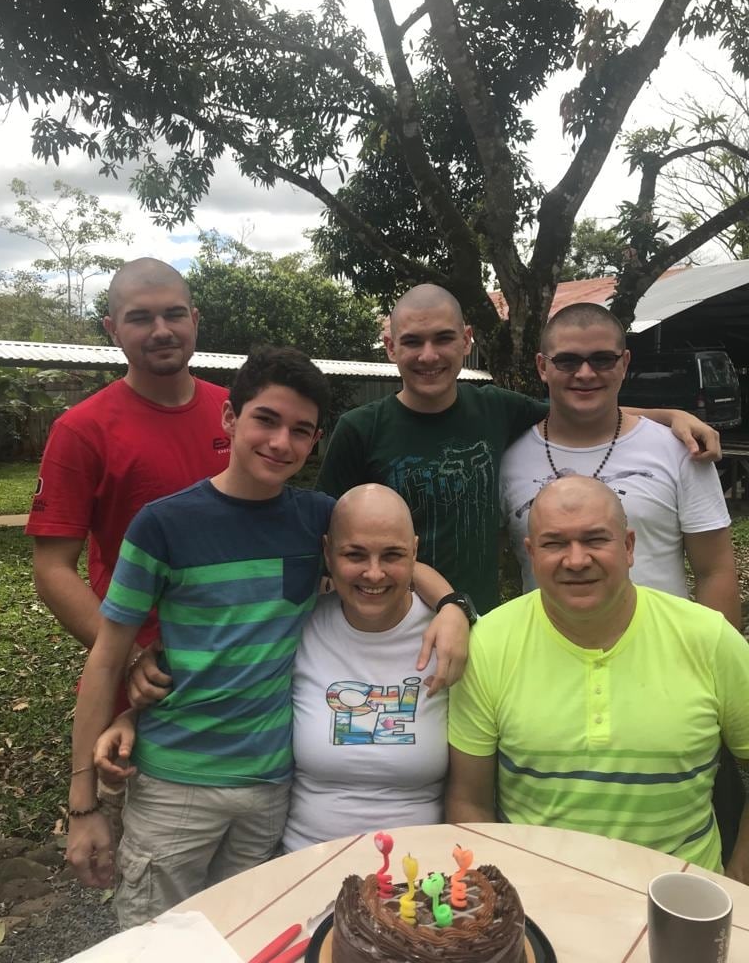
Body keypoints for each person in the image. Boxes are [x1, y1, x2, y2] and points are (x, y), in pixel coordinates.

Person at [67, 349, 467, 928]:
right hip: (177, 783)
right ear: (230, 418)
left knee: (254, 937)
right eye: (266, 420)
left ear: (315, 441)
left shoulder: (315, 519)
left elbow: (387, 554)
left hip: (270, 790)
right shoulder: (163, 525)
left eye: (300, 430)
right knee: (163, 940)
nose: (281, 442)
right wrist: (83, 804)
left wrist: (452, 605)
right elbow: (106, 661)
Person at [317, 284, 722, 613]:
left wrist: (669, 415)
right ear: (390, 347)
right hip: (388, 623)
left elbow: (579, 404)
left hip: (480, 627)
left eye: (443, 338)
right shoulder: (361, 429)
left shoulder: (495, 408)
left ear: (466, 340)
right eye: (412, 342)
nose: (429, 355)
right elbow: (322, 538)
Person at [96, 484, 449, 854]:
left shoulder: (447, 638)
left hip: (420, 866)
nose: (374, 573)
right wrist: (134, 718)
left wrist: (455, 605)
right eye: (355, 554)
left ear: (414, 552)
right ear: (327, 553)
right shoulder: (299, 625)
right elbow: (233, 678)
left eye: (392, 555)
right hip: (306, 859)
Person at [446, 476, 749, 881]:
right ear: (531, 553)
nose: (576, 560)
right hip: (538, 898)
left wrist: (738, 881)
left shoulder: (708, 638)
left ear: (628, 546)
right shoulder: (488, 644)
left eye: (594, 539)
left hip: (678, 901)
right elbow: (469, 801)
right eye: (555, 544)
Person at [26, 258, 228, 667]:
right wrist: (128, 657)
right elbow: (51, 569)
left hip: (243, 657)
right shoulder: (81, 430)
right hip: (148, 668)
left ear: (194, 320)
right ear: (112, 329)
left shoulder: (235, 411)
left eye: (174, 314)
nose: (162, 330)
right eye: (140, 318)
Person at [500, 302, 740, 626]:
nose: (586, 373)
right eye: (568, 361)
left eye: (602, 359)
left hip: (661, 650)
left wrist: (718, 653)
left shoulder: (680, 451)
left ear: (624, 363)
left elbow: (715, 570)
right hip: (547, 651)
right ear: (543, 366)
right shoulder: (507, 458)